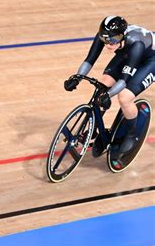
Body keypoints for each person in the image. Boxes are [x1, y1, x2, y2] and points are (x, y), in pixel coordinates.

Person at [65, 16, 154, 157]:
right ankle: (94, 128)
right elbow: (90, 60)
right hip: (127, 53)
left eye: (112, 41)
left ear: (122, 36)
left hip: (149, 60)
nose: (108, 45)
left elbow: (124, 81)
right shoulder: (107, 36)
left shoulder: (136, 43)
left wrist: (109, 95)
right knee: (102, 86)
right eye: (105, 40)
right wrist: (77, 77)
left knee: (124, 97)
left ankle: (131, 135)